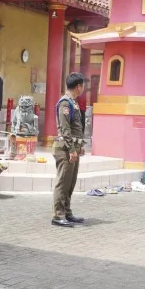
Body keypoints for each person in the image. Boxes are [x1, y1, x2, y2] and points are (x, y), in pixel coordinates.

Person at [52, 72, 86, 228]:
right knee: (63, 182)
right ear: (78, 86)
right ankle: (58, 215)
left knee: (70, 183)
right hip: (65, 148)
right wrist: (72, 149)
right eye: (83, 85)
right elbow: (65, 129)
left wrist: (80, 146)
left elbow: (76, 128)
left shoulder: (73, 102)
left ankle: (67, 211)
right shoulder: (65, 103)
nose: (83, 88)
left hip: (73, 148)